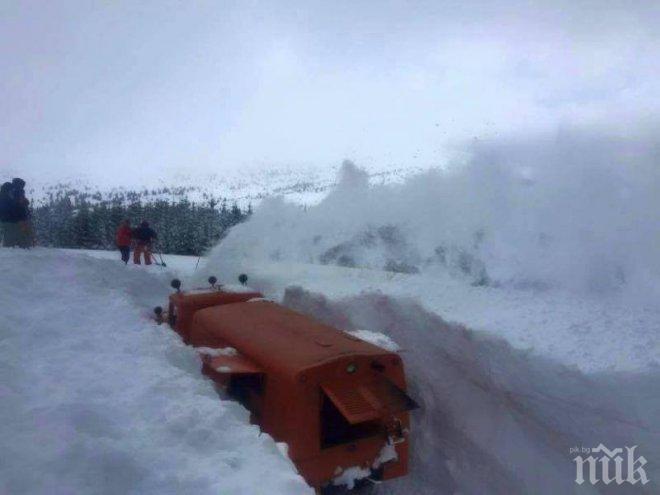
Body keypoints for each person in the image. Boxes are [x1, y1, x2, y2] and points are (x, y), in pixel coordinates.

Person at [11, 178, 33, 248]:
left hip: (18, 216)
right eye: (23, 185)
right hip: (21, 216)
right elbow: (20, 203)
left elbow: (20, 202)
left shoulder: (14, 192)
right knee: (24, 231)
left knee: (21, 231)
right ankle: (24, 245)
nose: (23, 186)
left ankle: (22, 244)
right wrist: (25, 202)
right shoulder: (18, 191)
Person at [0, 182, 19, 247]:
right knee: (9, 238)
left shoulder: (5, 196)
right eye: (11, 189)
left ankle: (9, 249)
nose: (12, 191)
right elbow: (6, 209)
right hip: (8, 220)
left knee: (9, 237)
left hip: (7, 220)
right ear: (8, 189)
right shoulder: (5, 197)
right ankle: (8, 249)